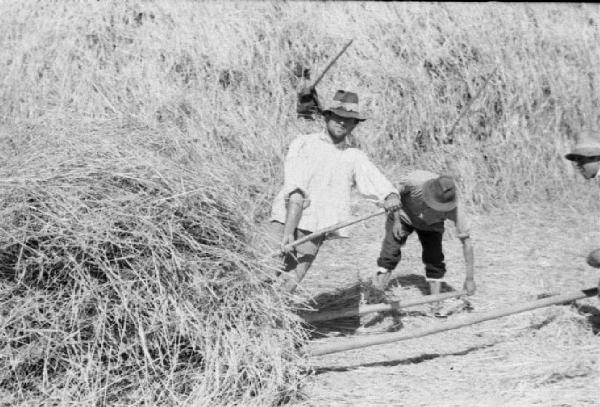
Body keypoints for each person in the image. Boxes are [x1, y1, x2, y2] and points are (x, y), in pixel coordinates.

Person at [268, 90, 401, 293]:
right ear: (327, 117)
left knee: (290, 281)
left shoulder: (353, 156)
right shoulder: (304, 143)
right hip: (285, 219)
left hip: (315, 226)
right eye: (338, 117)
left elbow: (378, 183)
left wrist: (390, 196)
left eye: (348, 120)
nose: (342, 123)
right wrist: (288, 233)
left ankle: (266, 321)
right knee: (264, 271)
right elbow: (295, 191)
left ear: (354, 125)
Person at [371, 170, 476, 305]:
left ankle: (435, 303)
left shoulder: (455, 209)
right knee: (389, 255)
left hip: (431, 225)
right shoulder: (415, 181)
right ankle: (375, 297)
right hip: (404, 216)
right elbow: (393, 196)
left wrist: (469, 279)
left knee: (435, 260)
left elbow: (467, 243)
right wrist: (397, 220)